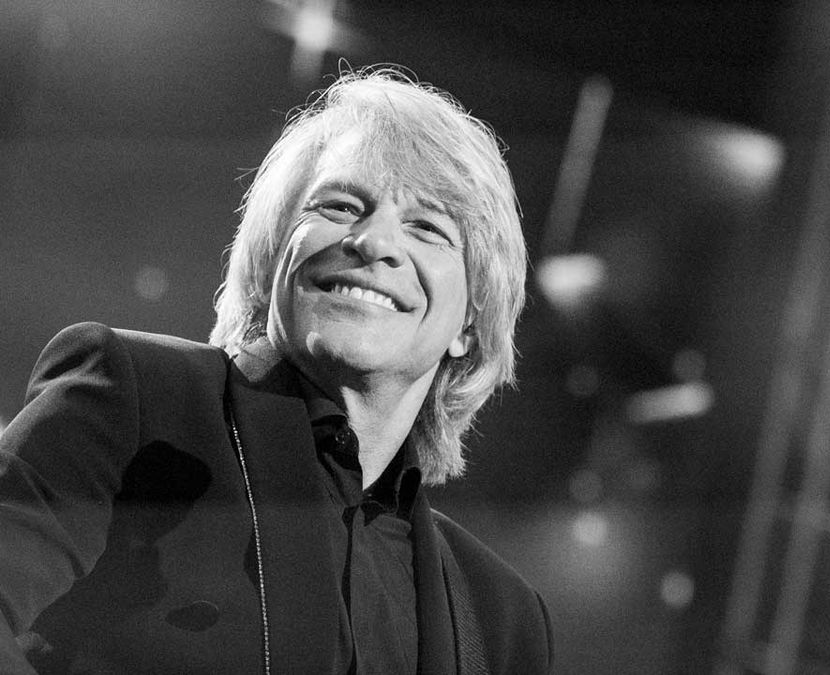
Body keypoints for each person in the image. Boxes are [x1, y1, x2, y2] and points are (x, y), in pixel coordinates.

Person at [0, 67, 552, 674]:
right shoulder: (134, 398)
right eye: (341, 205)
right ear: (272, 259)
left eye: (427, 227)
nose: (373, 242)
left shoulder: (500, 613)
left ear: (470, 326)